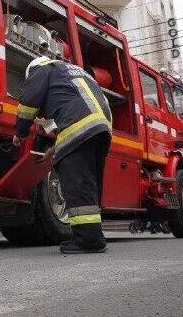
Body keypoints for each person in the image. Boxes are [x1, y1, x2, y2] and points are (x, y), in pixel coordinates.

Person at [12, 55, 113, 254]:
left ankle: (88, 240)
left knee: (76, 184)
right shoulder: (73, 73)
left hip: (80, 126)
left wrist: (20, 132)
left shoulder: (43, 70)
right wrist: (54, 149)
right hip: (101, 128)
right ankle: (93, 235)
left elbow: (28, 103)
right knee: (89, 184)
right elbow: (63, 111)